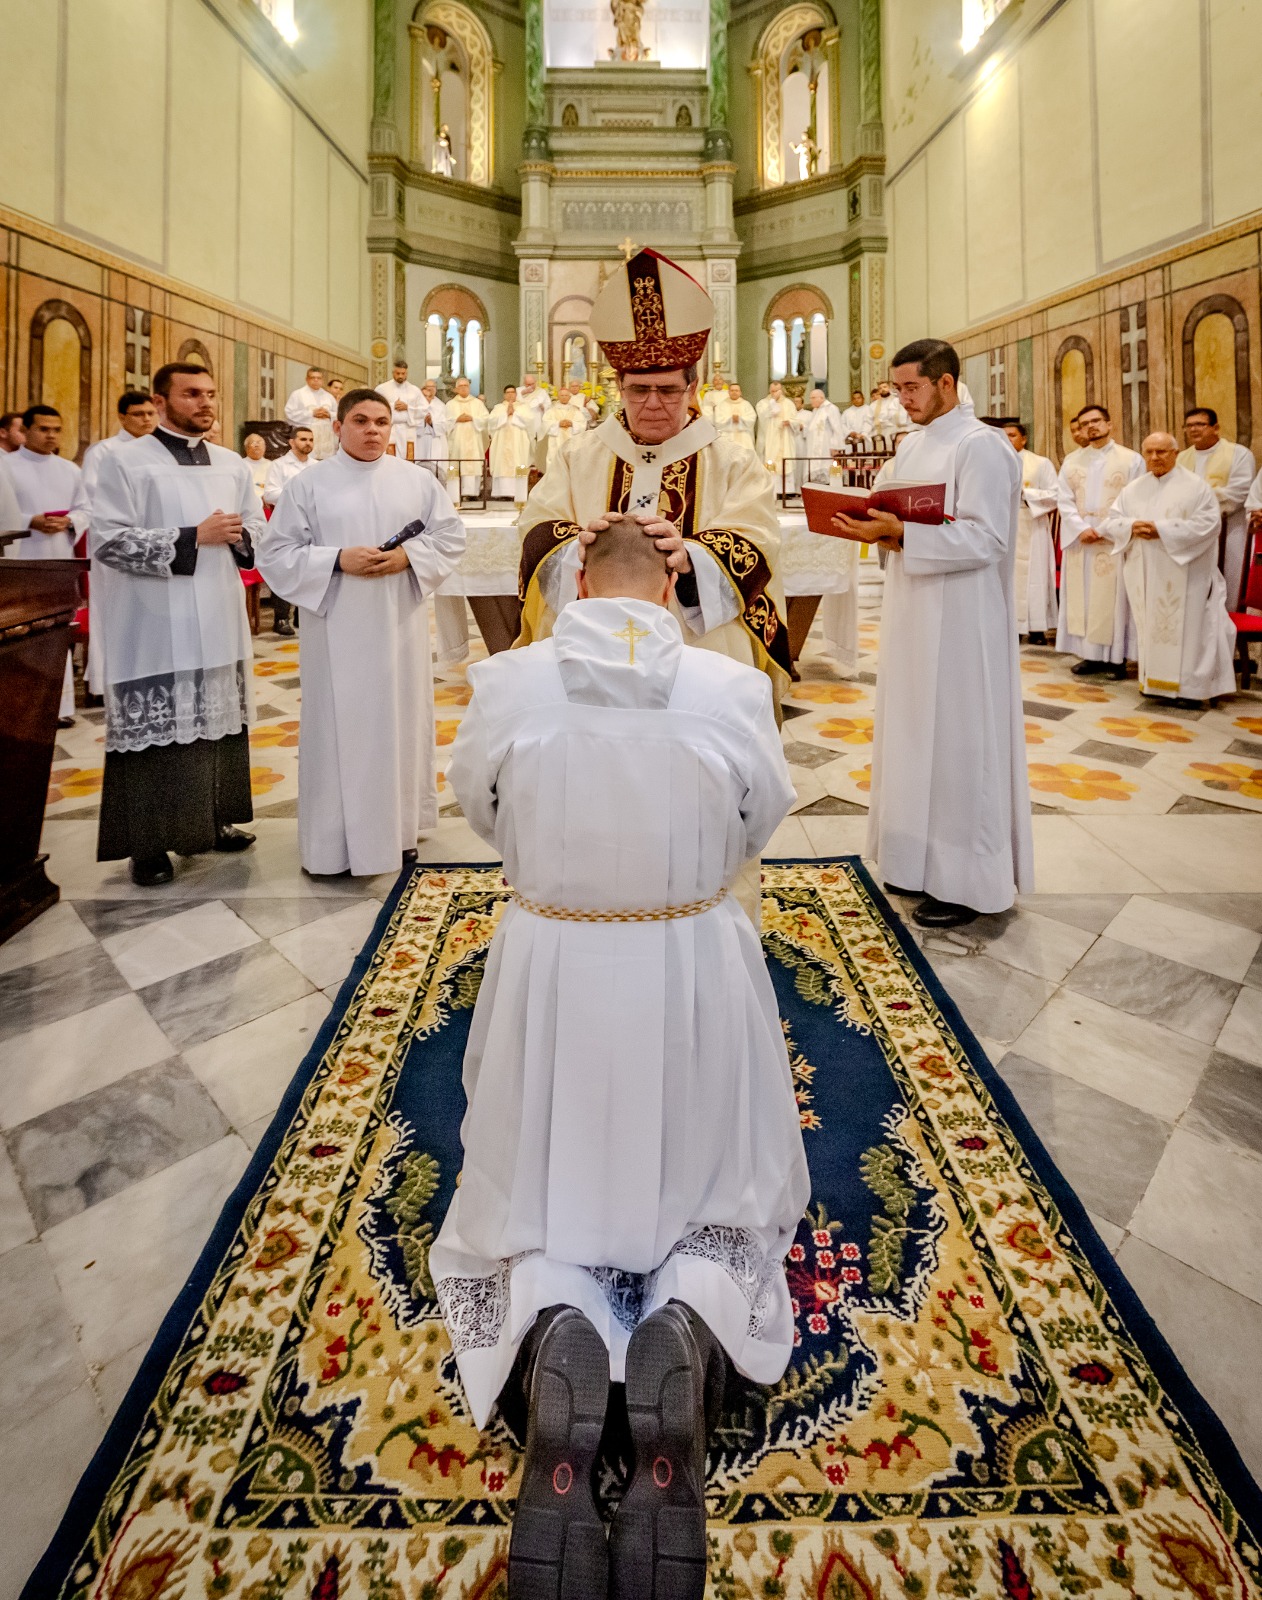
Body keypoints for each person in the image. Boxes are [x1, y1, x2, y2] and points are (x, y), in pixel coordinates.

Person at [432, 514, 809, 1600]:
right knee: (714, 1175)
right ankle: (686, 1315)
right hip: (692, 955)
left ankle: (558, 1310)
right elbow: (760, 817)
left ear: (580, 580)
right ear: (670, 589)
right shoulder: (729, 687)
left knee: (539, 1166)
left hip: (554, 954)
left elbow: (480, 809)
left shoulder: (508, 680)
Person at [517, 247, 792, 714]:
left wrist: (692, 558)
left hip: (699, 634)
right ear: (618, 387)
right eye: (638, 390)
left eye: (667, 390)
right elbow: (535, 526)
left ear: (692, 387)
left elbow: (758, 538)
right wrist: (579, 548)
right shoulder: (577, 456)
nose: (652, 403)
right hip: (589, 630)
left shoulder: (733, 462)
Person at [833, 338, 1032, 929]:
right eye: (896, 389)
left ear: (947, 384)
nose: (902, 400)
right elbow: (891, 517)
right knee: (914, 731)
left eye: (911, 388)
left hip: (964, 620)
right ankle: (913, 861)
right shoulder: (911, 447)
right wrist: (873, 528)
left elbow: (989, 539)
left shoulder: (983, 448)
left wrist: (904, 535)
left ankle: (968, 881)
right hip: (912, 610)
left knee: (959, 743)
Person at [256, 388, 466, 876]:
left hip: (400, 627)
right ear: (339, 427)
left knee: (400, 722)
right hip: (336, 628)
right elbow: (275, 554)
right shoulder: (310, 485)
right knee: (337, 729)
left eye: (381, 422)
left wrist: (407, 556)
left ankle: (400, 833)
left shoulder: (417, 481)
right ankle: (333, 843)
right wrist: (336, 559)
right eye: (361, 421)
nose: (372, 430)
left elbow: (450, 535)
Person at [91, 363, 261, 885]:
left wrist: (238, 536)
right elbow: (108, 540)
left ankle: (212, 823)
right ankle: (149, 846)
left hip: (217, 609)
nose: (205, 403)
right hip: (153, 620)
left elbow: (256, 529)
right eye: (191, 394)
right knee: (157, 731)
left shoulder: (233, 464)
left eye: (210, 394)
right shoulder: (123, 461)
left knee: (217, 720)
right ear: (161, 403)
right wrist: (193, 536)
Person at [1102, 432, 1236, 708]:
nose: (1154, 458)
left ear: (1175, 453)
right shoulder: (1134, 488)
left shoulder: (1196, 488)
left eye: (1161, 452)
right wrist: (1130, 527)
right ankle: (1155, 684)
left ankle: (1190, 691)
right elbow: (1111, 521)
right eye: (1149, 452)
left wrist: (1162, 530)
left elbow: (1209, 525)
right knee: (1151, 625)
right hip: (1145, 573)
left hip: (1185, 574)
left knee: (1188, 630)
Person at [5, 404, 91, 725]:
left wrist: (69, 521)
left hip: (58, 557)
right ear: (25, 431)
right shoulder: (5, 466)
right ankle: (19, 705)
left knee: (55, 629)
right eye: (43, 429)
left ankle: (59, 707)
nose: (51, 435)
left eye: (56, 429)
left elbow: (86, 509)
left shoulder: (70, 470)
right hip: (19, 559)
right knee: (20, 631)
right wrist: (30, 521)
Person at [1055, 403, 1143, 677]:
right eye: (1085, 423)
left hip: (1112, 539)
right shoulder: (1072, 460)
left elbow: (1135, 498)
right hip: (1081, 538)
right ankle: (1090, 655)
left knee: (1113, 599)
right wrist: (1080, 528)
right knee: (1083, 598)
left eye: (1095, 421)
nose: (1090, 426)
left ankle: (1116, 659)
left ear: (1109, 424)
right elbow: (1064, 499)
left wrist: (1105, 529)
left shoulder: (1131, 460)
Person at [1178, 408, 1256, 610]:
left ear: (1216, 428)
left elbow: (1239, 492)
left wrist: (1199, 503)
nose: (1194, 429)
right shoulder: (1180, 459)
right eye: (1189, 425)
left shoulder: (1239, 454)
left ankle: (1231, 634)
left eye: (1200, 424)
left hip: (1229, 531)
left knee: (1229, 583)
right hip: (1192, 533)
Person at [1003, 421, 1059, 643]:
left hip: (1033, 522)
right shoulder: (993, 463)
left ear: (1023, 438)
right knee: (1010, 577)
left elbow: (1055, 494)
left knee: (1036, 575)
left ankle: (1037, 629)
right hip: (1006, 524)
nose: (1007, 440)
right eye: (1003, 436)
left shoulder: (1040, 463)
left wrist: (1027, 495)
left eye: (1012, 435)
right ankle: (1012, 628)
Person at [82, 391, 158, 497]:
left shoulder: (161, 449)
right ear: (122, 417)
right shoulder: (103, 450)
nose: (147, 419)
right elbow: (91, 489)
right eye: (138, 414)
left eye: (150, 413)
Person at [487, 384, 536, 498]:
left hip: (518, 441)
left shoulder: (523, 407)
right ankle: (502, 493)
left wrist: (515, 414)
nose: (510, 395)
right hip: (501, 441)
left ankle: (517, 493)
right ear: (504, 395)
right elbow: (491, 422)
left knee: (517, 462)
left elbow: (530, 422)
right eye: (508, 393)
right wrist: (505, 414)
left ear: (516, 394)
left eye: (512, 392)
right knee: (501, 463)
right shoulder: (498, 408)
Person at [445, 376, 489, 497]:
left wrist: (472, 418)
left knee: (473, 465)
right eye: (461, 386)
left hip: (474, 441)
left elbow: (485, 419)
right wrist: (456, 419)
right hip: (458, 442)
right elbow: (445, 422)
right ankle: (457, 494)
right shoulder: (450, 404)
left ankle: (473, 493)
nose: (464, 388)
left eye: (466, 386)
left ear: (469, 388)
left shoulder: (478, 403)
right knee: (458, 465)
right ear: (456, 389)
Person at [376, 359, 424, 460]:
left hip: (408, 430)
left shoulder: (414, 390)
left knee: (409, 459)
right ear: (393, 372)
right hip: (390, 429)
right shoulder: (382, 389)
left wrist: (408, 407)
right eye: (398, 373)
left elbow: (424, 410)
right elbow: (375, 407)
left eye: (403, 373)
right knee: (389, 460)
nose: (401, 376)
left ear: (407, 373)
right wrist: (393, 406)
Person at [285, 366, 337, 451]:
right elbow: (289, 413)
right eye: (313, 377)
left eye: (319, 378)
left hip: (326, 438)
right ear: (307, 379)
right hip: (306, 436)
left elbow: (338, 414)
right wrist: (312, 414)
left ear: (322, 380)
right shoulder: (297, 394)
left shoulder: (329, 396)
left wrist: (329, 414)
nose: (316, 380)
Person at [540, 384, 588, 468]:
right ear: (558, 396)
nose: (564, 397)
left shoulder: (576, 411)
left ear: (570, 397)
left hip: (572, 441)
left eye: (566, 395)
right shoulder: (551, 411)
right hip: (555, 441)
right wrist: (558, 424)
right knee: (555, 461)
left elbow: (582, 424)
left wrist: (572, 424)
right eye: (562, 395)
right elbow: (545, 424)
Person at [802, 386, 844, 482]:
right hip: (813, 447)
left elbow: (837, 428)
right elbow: (811, 428)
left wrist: (835, 447)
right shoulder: (815, 410)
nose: (810, 401)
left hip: (826, 446)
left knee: (827, 468)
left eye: (813, 398)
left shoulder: (831, 408)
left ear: (821, 398)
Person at [755, 380, 796, 476]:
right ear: (769, 390)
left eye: (777, 391)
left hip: (784, 437)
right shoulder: (763, 403)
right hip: (770, 439)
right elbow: (763, 417)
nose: (775, 393)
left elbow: (796, 420)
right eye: (773, 391)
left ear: (781, 390)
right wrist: (773, 402)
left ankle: (787, 490)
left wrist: (790, 422)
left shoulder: (788, 403)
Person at [414, 378, 451, 477]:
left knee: (436, 467)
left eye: (433, 387)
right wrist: (423, 422)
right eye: (428, 388)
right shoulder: (416, 405)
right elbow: (411, 422)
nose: (431, 390)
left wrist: (432, 423)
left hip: (436, 440)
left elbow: (445, 425)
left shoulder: (441, 406)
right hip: (420, 439)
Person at [712, 379, 757, 451]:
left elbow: (752, 418)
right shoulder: (722, 405)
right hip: (727, 435)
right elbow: (718, 420)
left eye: (736, 390)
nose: (734, 392)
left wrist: (740, 419)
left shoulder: (746, 404)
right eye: (732, 390)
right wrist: (730, 419)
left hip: (743, 436)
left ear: (740, 392)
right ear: (728, 392)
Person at [242, 433, 269, 497]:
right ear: (246, 448)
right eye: (253, 442)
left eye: (259, 442)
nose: (257, 445)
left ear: (265, 447)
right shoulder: (240, 464)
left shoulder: (272, 465)